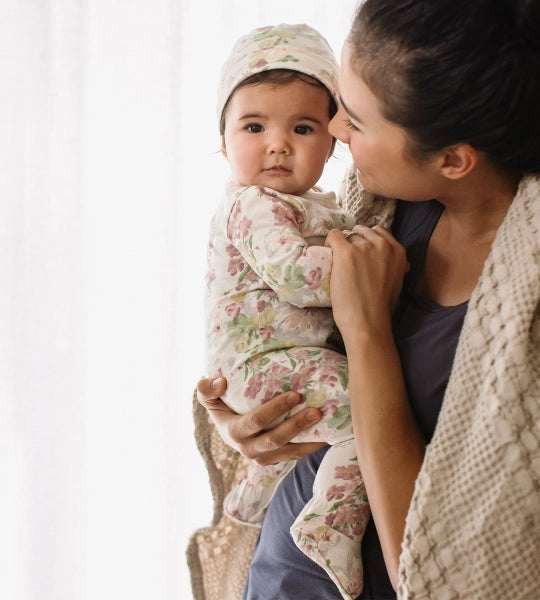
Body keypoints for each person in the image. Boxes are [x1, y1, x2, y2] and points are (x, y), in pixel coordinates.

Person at [192, 1, 540, 599]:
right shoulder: (383, 204)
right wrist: (250, 428)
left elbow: (438, 569)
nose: (333, 131)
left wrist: (367, 329)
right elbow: (276, 314)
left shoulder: (524, 301)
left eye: (352, 118)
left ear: (454, 159)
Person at [205, 23, 372, 598]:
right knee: (364, 409)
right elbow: (299, 278)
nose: (278, 143)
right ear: (223, 142)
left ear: (332, 142)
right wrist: (368, 268)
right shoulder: (254, 206)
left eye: (302, 128)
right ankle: (328, 525)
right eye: (255, 127)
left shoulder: (312, 205)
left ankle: (256, 489)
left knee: (327, 399)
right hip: (265, 364)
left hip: (275, 360)